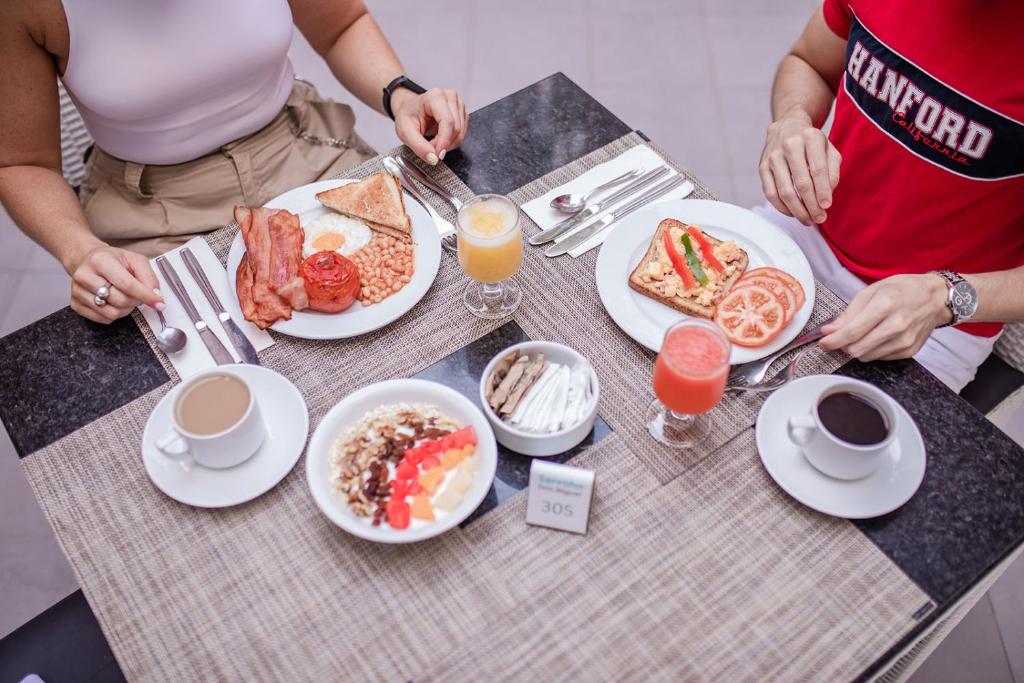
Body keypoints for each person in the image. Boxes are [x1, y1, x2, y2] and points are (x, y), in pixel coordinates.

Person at [0, 0, 468, 325]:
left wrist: (401, 95)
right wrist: (81, 251)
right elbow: (21, 163)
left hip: (301, 146)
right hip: (150, 207)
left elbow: (340, 26)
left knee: (432, 293)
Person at [757, 0, 1023, 392]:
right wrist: (792, 120)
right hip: (804, 231)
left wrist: (945, 297)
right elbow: (809, 62)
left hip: (935, 316)